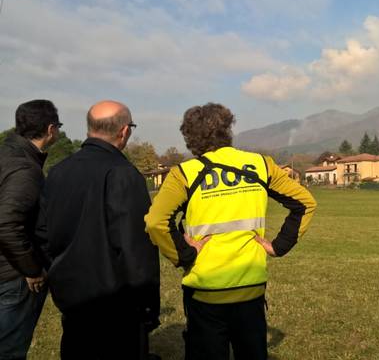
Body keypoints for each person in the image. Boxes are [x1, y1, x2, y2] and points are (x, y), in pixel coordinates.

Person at [145, 103, 316, 360]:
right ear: (228, 130)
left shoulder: (184, 174)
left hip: (205, 291)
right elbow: (305, 203)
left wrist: (184, 255)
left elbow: (156, 222)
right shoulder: (261, 164)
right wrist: (279, 245)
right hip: (251, 286)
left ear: (190, 138)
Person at [35, 100, 160, 360]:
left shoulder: (58, 172)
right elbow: (134, 248)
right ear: (125, 131)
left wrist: (59, 274)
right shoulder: (124, 173)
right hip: (117, 305)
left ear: (90, 129)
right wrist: (148, 305)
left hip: (72, 298)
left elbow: (42, 235)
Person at [0, 100, 61, 359]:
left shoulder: (7, 155)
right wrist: (32, 269)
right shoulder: (25, 168)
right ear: (50, 129)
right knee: (10, 350)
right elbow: (6, 223)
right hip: (13, 275)